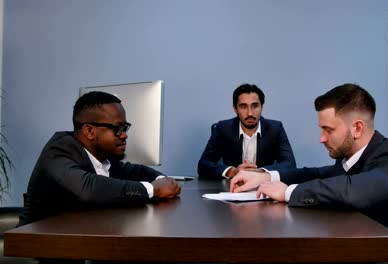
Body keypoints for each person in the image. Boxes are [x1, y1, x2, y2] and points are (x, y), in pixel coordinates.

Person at [230, 83, 388, 239]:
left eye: (328, 129)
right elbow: (317, 174)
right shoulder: (349, 159)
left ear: (357, 128)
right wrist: (265, 177)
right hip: (357, 247)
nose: (322, 138)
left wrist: (287, 192)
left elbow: (355, 190)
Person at [19, 91, 181, 226]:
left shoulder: (103, 157)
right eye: (117, 128)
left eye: (125, 128)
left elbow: (135, 171)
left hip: (82, 237)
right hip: (41, 246)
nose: (124, 135)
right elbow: (88, 188)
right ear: (89, 131)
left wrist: (163, 180)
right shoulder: (58, 151)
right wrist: (155, 189)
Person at [198, 83, 296, 179]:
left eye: (255, 106)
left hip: (264, 187)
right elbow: (203, 165)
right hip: (233, 189)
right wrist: (233, 171)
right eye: (243, 106)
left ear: (262, 107)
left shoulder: (275, 128)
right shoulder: (223, 128)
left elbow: (289, 164)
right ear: (235, 109)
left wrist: (260, 172)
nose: (250, 113)